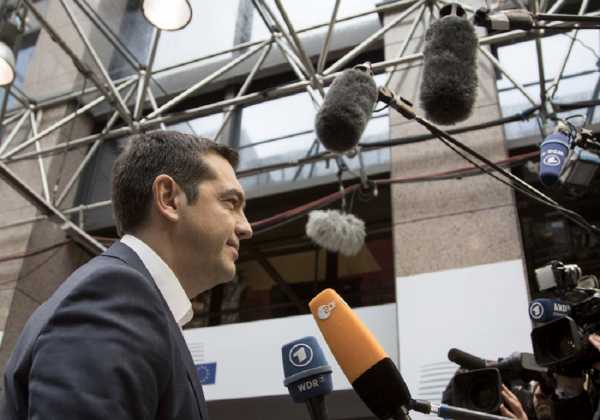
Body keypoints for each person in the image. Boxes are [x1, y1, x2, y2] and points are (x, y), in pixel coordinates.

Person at [0, 130, 253, 420]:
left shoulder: (132, 302)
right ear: (169, 198)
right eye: (230, 203)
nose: (246, 227)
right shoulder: (115, 294)